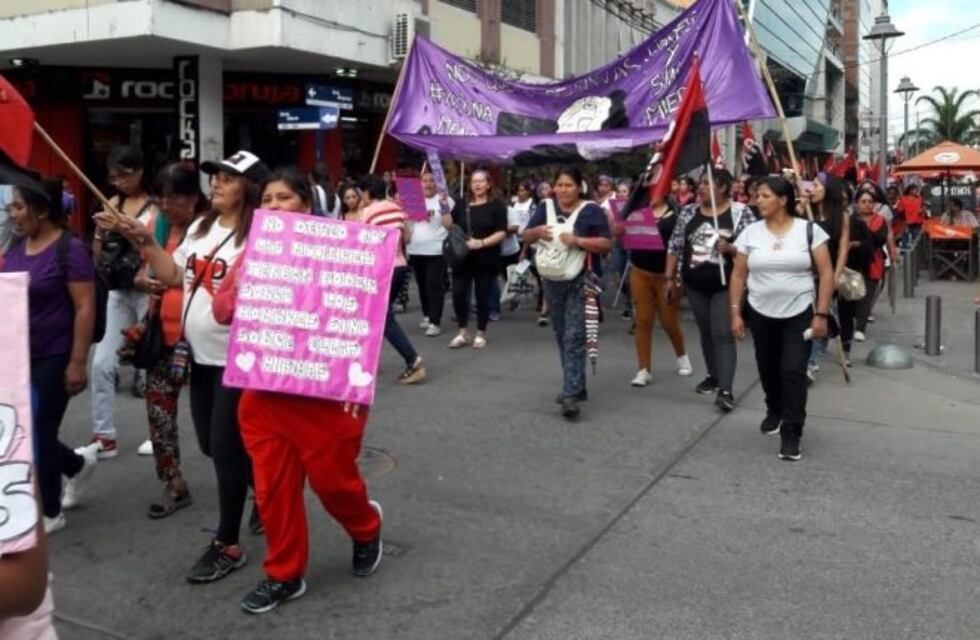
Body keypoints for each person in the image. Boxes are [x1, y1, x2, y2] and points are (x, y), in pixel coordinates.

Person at [211, 169, 384, 613]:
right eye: (265, 199)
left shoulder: (343, 247)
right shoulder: (252, 255)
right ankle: (283, 574)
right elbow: (221, 311)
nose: (272, 206)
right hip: (264, 398)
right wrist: (243, 287)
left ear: (306, 205)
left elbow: (362, 321)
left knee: (335, 487)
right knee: (273, 493)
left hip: (326, 401)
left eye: (283, 197)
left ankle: (365, 529)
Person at [95, 150, 269, 583]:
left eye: (228, 179)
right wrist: (144, 239)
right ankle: (267, 491)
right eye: (217, 177)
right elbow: (175, 276)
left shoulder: (264, 235)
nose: (217, 184)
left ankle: (226, 543)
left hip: (239, 359)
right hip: (201, 356)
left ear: (250, 189)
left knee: (225, 450)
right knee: (212, 445)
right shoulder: (201, 226)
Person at [2, 179, 98, 534]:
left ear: (41, 210)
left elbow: (85, 307)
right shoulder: (15, 244)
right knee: (22, 428)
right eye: (11, 207)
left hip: (56, 353)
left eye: (18, 207)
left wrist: (77, 361)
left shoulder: (69, 249)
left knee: (39, 428)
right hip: (16, 352)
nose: (12, 214)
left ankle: (51, 510)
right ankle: (75, 464)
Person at [730, 176, 834, 461]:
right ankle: (774, 407)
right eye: (757, 196)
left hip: (799, 311)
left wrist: (821, 314)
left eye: (764, 195)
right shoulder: (750, 233)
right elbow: (739, 275)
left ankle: (792, 431)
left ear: (783, 200)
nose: (758, 200)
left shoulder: (809, 231)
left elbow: (826, 273)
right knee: (767, 368)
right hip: (760, 311)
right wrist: (735, 312)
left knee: (792, 371)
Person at [137, 163, 207, 519]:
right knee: (159, 412)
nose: (165, 206)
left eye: (173, 198)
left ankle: (257, 488)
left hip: (204, 341)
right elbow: (143, 271)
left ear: (193, 198)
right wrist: (144, 282)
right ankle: (173, 482)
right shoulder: (158, 226)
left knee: (219, 426)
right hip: (163, 337)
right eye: (160, 198)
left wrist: (173, 278)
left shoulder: (209, 230)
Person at [522, 166, 612, 419]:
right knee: (562, 333)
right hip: (551, 278)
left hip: (581, 278)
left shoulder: (591, 210)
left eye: (569, 185)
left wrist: (580, 241)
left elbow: (606, 243)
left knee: (574, 335)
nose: (563, 190)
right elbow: (526, 235)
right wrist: (537, 232)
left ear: (579, 186)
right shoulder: (545, 207)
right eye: (559, 185)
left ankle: (570, 393)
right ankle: (577, 384)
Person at [665, 169, 755, 412]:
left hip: (726, 285)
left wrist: (732, 249)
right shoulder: (688, 212)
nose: (701, 187)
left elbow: (754, 247)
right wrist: (669, 278)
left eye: (707, 183)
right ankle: (713, 376)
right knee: (706, 330)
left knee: (722, 333)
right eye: (701, 183)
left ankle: (725, 390)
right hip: (694, 283)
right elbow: (675, 245)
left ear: (724, 187)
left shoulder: (740, 213)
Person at [90, 146, 158, 458]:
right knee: (102, 362)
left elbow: (156, 247)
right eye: (114, 176)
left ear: (140, 171)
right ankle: (104, 435)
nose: (119, 181)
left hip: (147, 290)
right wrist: (102, 233)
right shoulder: (110, 204)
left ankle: (156, 434)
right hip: (118, 289)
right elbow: (99, 251)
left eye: (125, 175)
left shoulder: (155, 208)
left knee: (150, 365)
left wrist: (125, 229)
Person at [352, 174, 427, 383]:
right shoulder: (397, 208)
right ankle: (367, 361)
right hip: (401, 265)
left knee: (382, 318)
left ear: (366, 193)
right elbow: (408, 237)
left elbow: (359, 242)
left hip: (381, 269)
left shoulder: (366, 212)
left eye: (361, 193)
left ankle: (412, 360)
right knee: (378, 316)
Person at [615, 192, 692, 387]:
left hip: (666, 275)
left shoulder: (676, 215)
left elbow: (681, 246)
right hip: (640, 271)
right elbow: (622, 242)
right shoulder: (635, 212)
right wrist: (619, 231)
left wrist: (674, 277)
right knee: (643, 320)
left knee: (668, 321)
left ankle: (682, 355)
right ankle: (643, 369)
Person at [444, 170, 508, 349]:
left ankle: (481, 332)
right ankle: (463, 331)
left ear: (488, 184)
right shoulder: (462, 203)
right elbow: (449, 225)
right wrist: (443, 208)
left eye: (481, 181)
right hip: (463, 256)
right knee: (458, 293)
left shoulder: (497, 205)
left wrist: (482, 242)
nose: (477, 185)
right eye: (474, 181)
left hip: (486, 257)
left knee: (483, 295)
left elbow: (502, 232)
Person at [802, 173, 850, 381]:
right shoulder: (804, 213)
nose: (812, 188)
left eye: (816, 185)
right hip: (803, 273)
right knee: (804, 317)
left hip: (826, 275)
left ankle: (811, 363)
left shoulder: (841, 217)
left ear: (827, 189)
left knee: (820, 315)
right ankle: (806, 359)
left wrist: (834, 277)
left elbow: (842, 250)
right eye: (811, 185)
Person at [408, 172, 453, 337]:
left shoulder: (444, 199)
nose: (428, 184)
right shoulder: (412, 198)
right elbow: (408, 223)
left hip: (436, 249)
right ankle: (427, 314)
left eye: (432, 181)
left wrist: (444, 207)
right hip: (415, 248)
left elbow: (449, 225)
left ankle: (435, 321)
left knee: (434, 283)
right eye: (424, 181)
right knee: (422, 284)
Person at [852, 187, 897, 342]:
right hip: (852, 262)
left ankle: (860, 328)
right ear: (857, 203)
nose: (867, 205)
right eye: (863, 201)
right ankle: (853, 322)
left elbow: (879, 239)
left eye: (870, 202)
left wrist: (861, 238)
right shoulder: (851, 219)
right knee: (853, 295)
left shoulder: (880, 220)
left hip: (874, 262)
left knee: (867, 296)